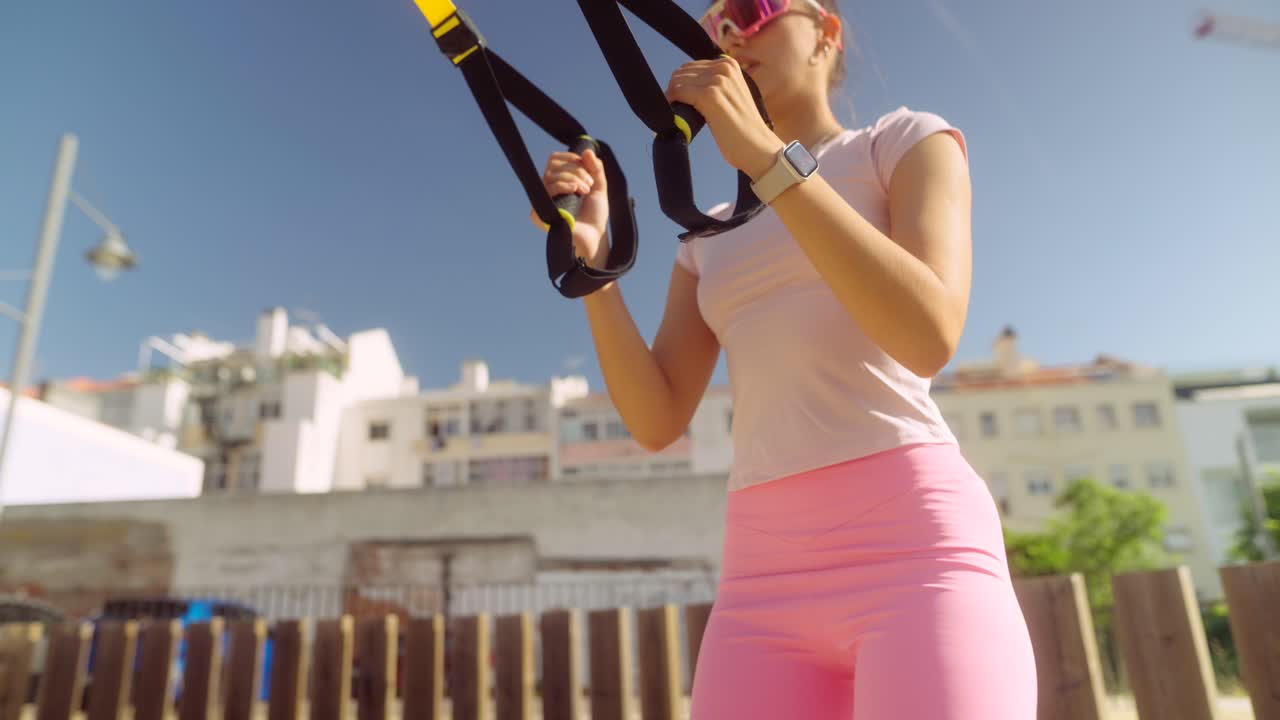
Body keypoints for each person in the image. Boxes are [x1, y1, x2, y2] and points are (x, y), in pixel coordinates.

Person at [535, 0, 1037, 717]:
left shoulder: (903, 141)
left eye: (752, 10)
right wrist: (595, 268)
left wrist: (767, 161)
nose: (732, 35)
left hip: (916, 555)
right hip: (760, 579)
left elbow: (929, 333)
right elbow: (655, 418)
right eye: (715, 27)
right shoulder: (708, 235)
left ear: (826, 34)